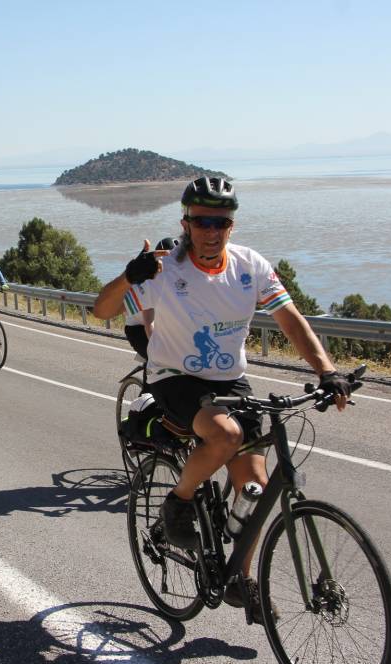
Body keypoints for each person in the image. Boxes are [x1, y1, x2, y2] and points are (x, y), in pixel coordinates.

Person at [93, 176, 351, 623]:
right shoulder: (163, 269)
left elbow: (290, 319)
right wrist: (127, 276)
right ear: (186, 223)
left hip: (231, 381)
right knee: (224, 434)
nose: (211, 231)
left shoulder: (250, 266)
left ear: (231, 225)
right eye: (201, 221)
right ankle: (178, 502)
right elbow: (101, 309)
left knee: (253, 487)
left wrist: (326, 370)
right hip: (175, 379)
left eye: (221, 222)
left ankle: (239, 577)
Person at [122, 236, 178, 361]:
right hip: (138, 330)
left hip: (159, 326)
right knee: (159, 362)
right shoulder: (151, 282)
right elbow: (149, 323)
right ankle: (150, 377)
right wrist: (157, 351)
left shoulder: (173, 280)